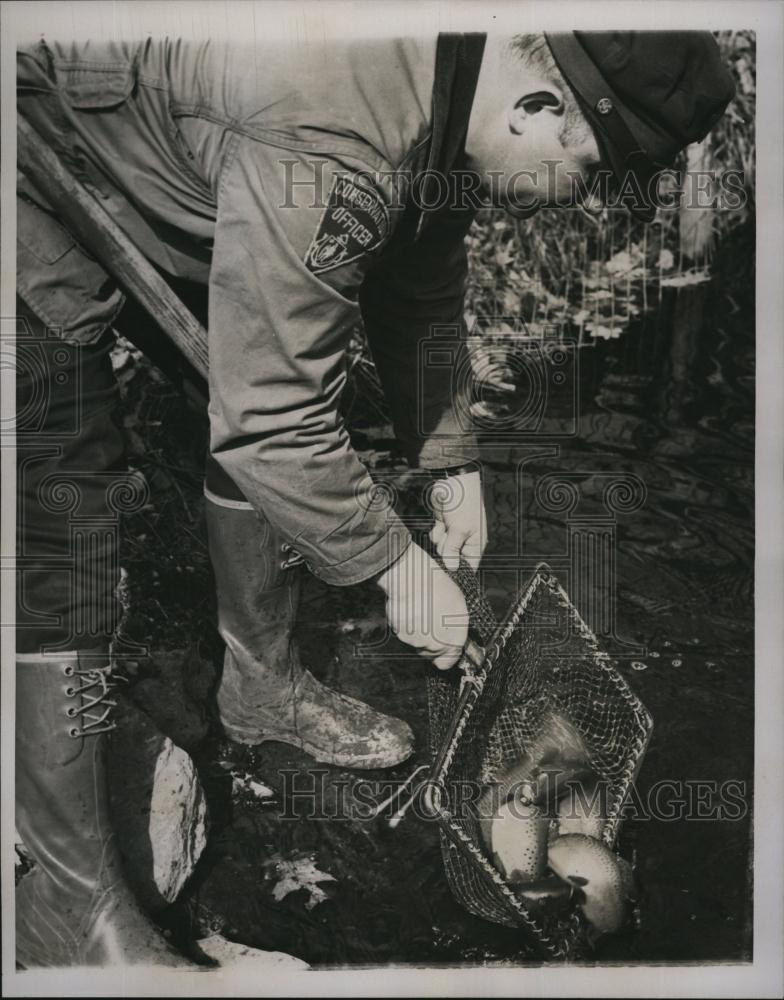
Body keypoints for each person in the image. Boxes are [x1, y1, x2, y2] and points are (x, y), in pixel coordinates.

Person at [14, 30, 734, 967]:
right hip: (40, 164)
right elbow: (270, 420)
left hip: (195, 170)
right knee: (65, 494)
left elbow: (420, 284)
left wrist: (450, 459)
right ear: (542, 112)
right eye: (593, 174)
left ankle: (260, 689)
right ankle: (66, 912)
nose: (583, 202)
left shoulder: (455, 87)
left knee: (268, 388)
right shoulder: (339, 139)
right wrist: (398, 568)